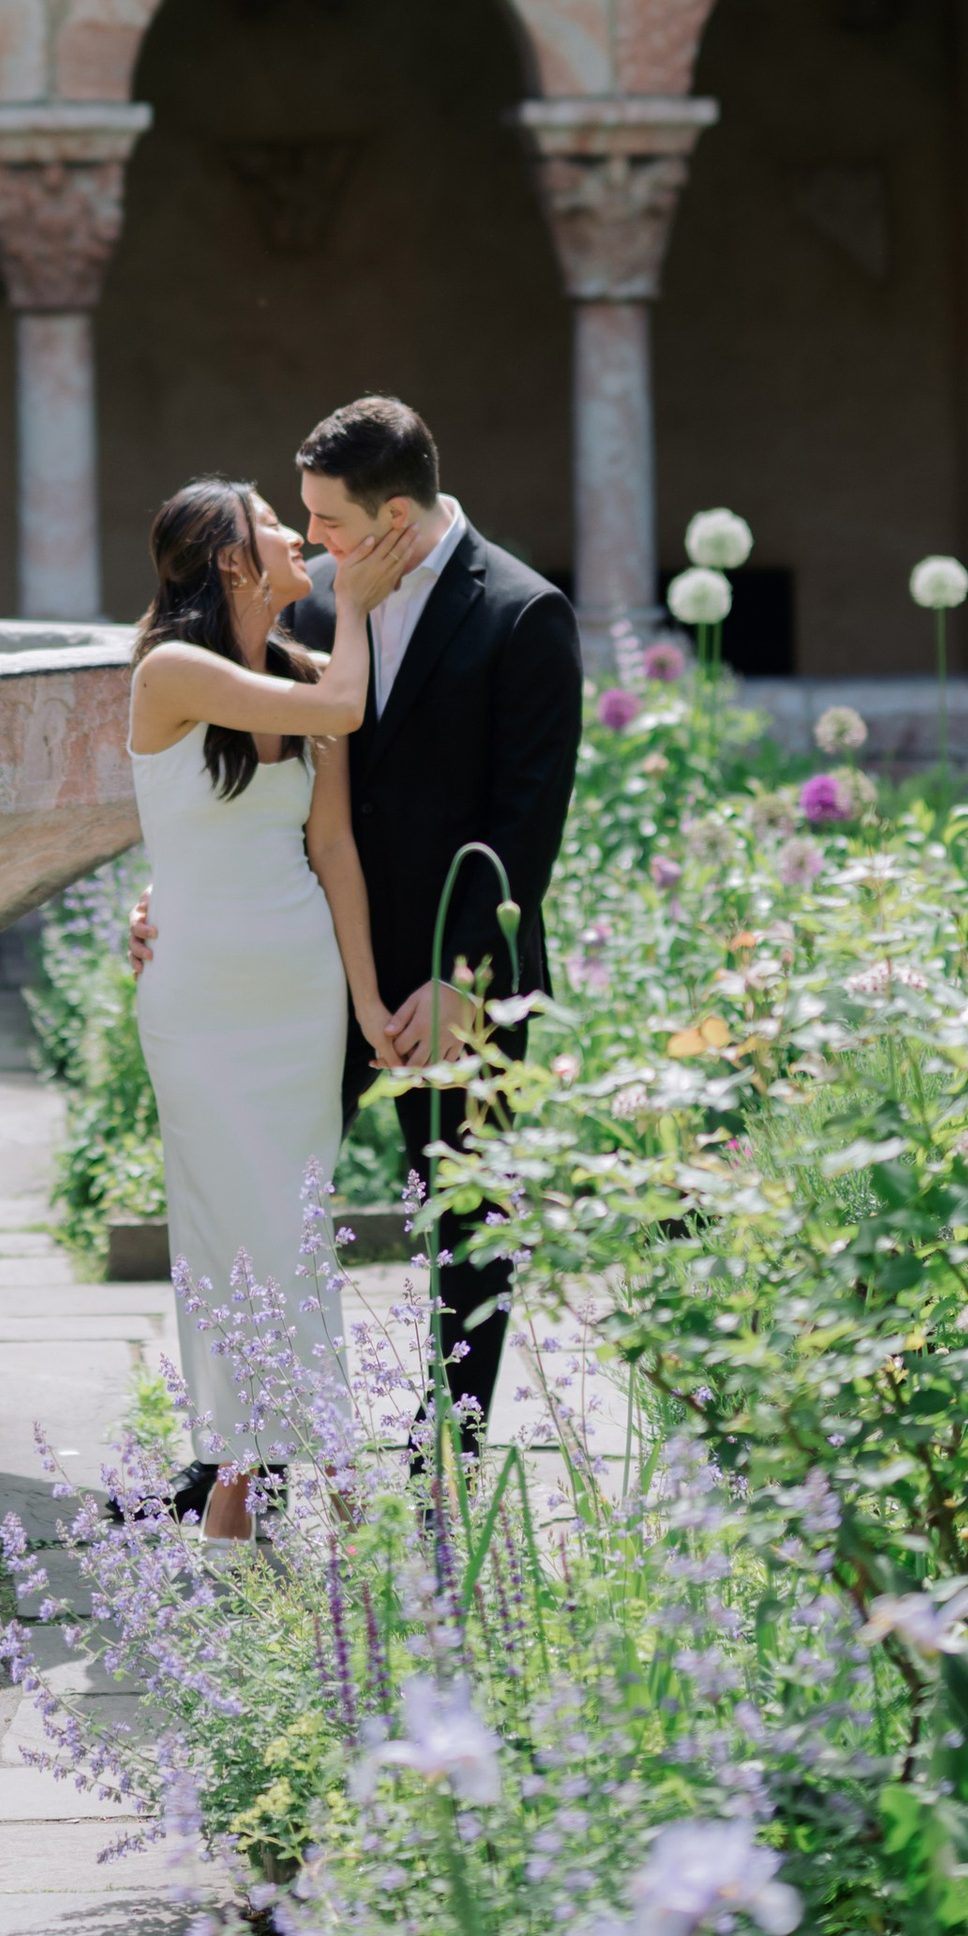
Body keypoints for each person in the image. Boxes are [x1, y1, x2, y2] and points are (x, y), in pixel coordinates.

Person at [135, 396, 582, 1447]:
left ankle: (448, 1444)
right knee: (264, 1197)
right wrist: (179, 899)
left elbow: (526, 826)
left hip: (448, 970)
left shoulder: (523, 612)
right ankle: (246, 1456)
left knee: (465, 1206)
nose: (311, 540)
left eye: (326, 520)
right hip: (308, 963)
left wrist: (460, 976)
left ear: (390, 514)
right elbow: (233, 774)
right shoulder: (316, 607)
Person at [127, 476, 419, 1541]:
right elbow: (344, 704)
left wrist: (368, 1001)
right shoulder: (171, 669)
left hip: (296, 994)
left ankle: (248, 1487)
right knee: (225, 1226)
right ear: (230, 560)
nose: (298, 534)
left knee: (294, 1226)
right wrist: (351, 597)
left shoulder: (300, 674)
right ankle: (301, 1468)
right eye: (272, 523)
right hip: (198, 996)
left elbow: (331, 850)